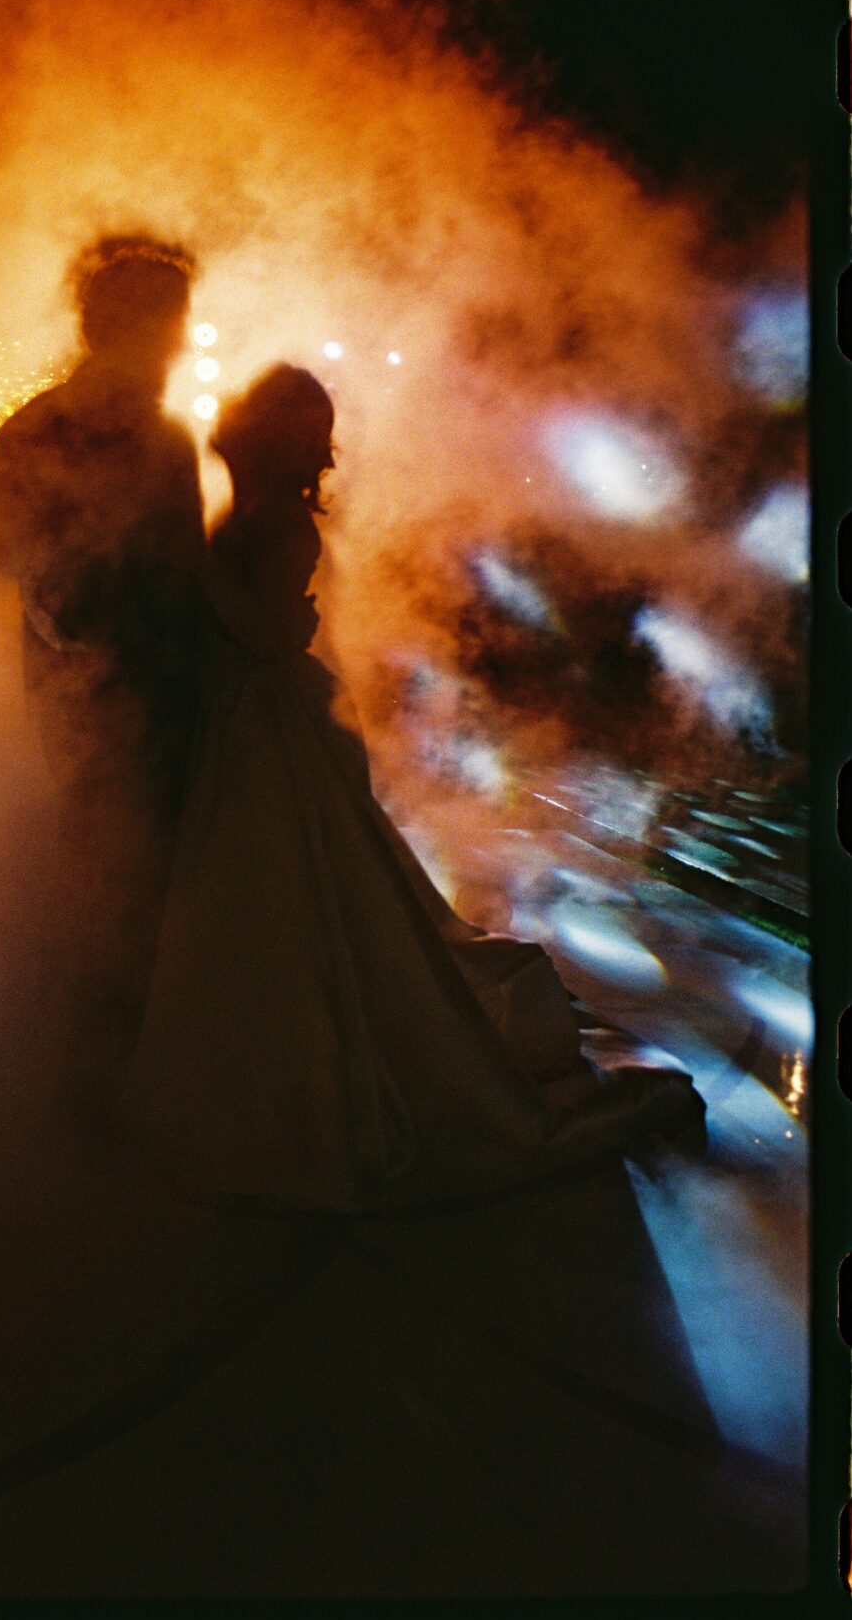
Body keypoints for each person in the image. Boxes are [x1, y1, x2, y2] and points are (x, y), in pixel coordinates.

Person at [121, 365, 702, 1213]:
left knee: (296, 897)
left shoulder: (284, 526)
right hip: (246, 721)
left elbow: (272, 636)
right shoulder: (250, 514)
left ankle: (305, 1083)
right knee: (269, 899)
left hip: (270, 724)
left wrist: (194, 575)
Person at [0, 235, 207, 1059]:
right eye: (172, 323)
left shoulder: (39, 426)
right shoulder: (148, 439)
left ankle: (83, 1040)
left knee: (102, 858)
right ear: (138, 327)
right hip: (123, 684)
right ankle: (99, 1044)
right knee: (121, 864)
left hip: (93, 679)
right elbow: (187, 575)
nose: (180, 343)